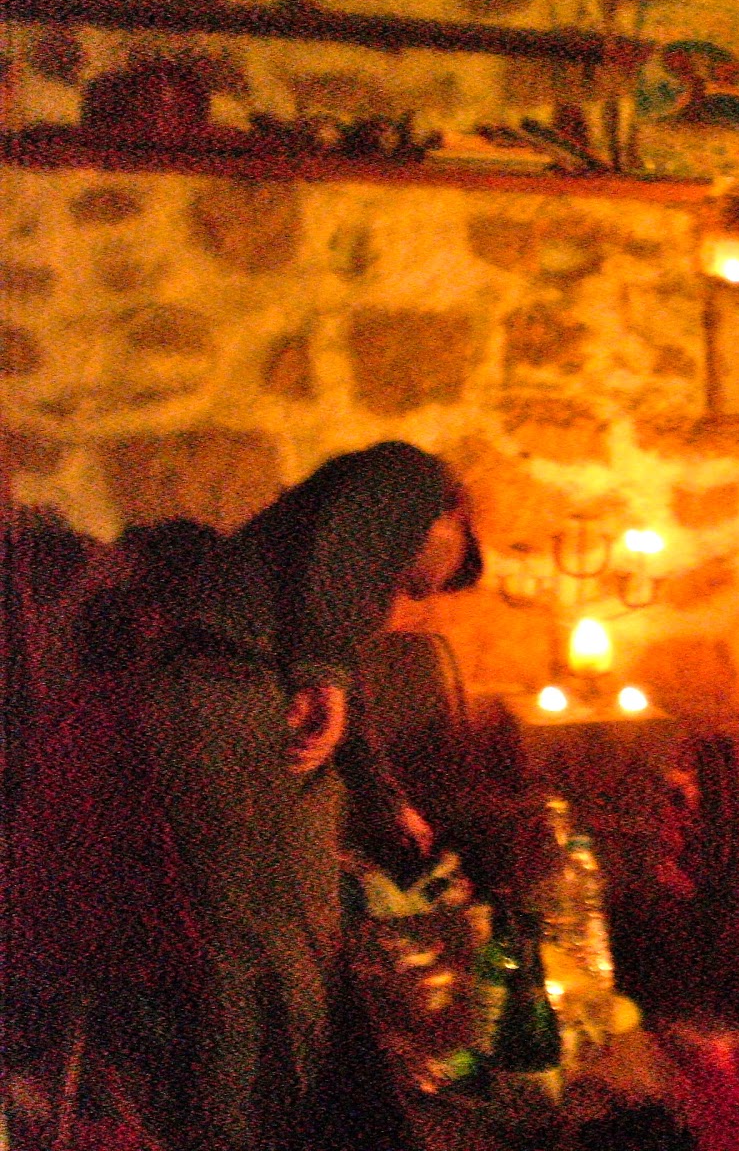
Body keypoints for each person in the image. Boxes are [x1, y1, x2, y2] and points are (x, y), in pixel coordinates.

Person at [134, 440, 482, 1150]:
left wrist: (386, 803)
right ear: (449, 516)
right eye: (421, 581)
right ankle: (268, 1133)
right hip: (230, 698)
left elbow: (347, 708)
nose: (413, 599)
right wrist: (324, 671)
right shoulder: (410, 475)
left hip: (225, 699)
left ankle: (247, 1130)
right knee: (278, 951)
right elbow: (333, 654)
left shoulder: (320, 592)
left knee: (263, 952)